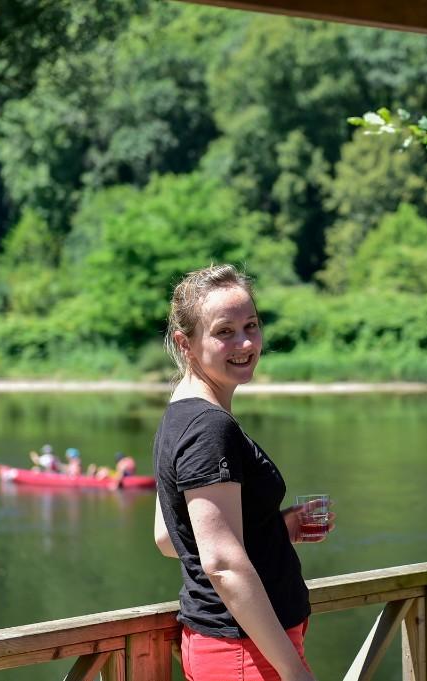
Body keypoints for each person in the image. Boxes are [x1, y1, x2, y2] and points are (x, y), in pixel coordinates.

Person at [152, 264, 333, 681]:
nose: (246, 342)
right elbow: (222, 564)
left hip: (235, 647)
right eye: (224, 331)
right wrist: (293, 670)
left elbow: (169, 537)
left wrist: (277, 528)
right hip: (245, 653)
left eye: (251, 325)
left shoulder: (178, 415)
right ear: (186, 343)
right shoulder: (209, 428)